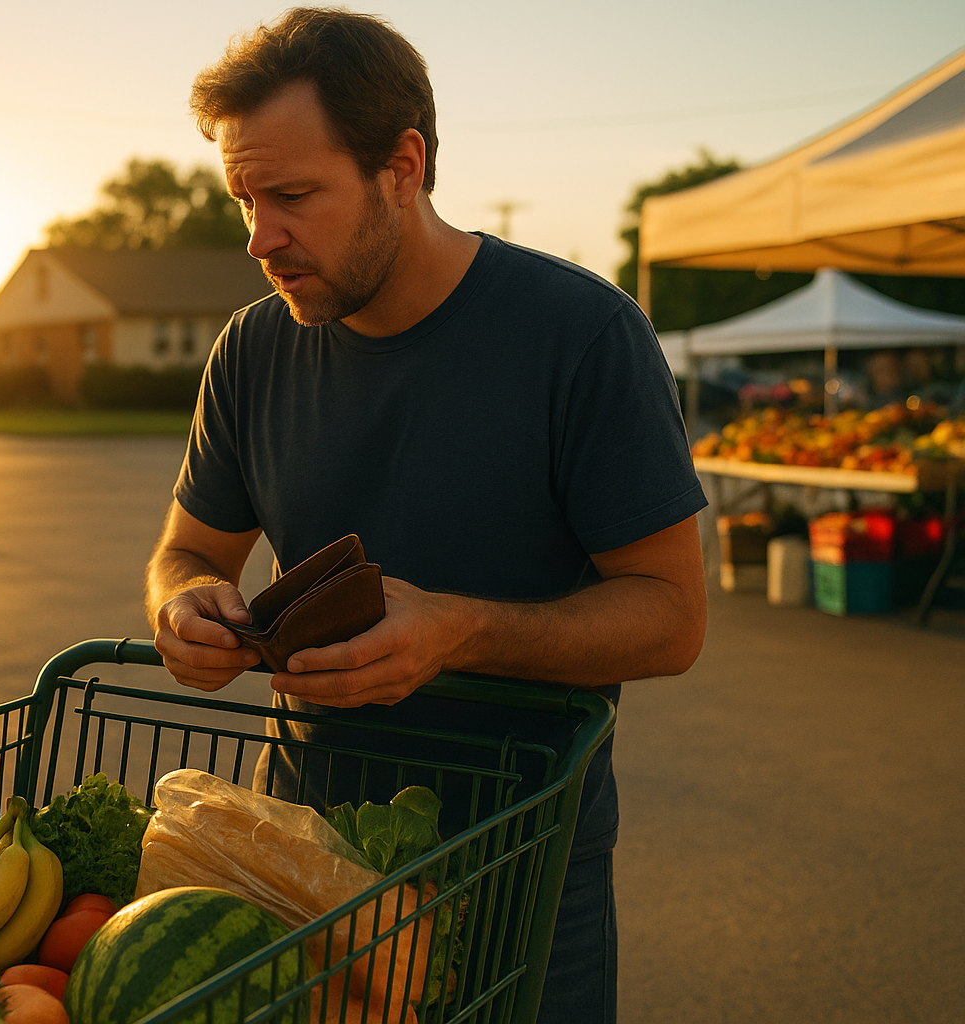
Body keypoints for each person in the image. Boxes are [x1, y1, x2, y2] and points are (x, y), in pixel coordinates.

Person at [144, 9, 708, 1024]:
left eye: (293, 195)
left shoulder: (584, 336)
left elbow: (673, 616)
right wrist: (183, 600)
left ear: (402, 166)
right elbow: (188, 547)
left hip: (525, 874)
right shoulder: (251, 349)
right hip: (304, 873)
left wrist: (460, 631)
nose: (258, 236)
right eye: (243, 197)